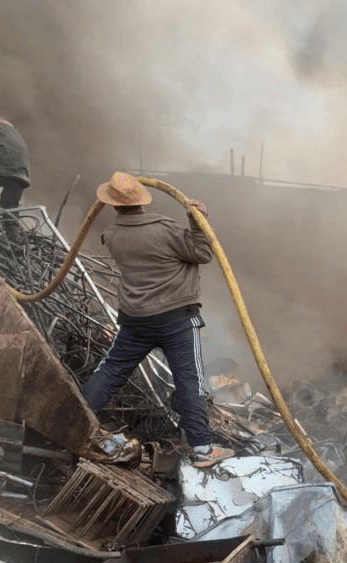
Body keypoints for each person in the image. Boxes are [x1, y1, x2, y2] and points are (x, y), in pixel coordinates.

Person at [81, 171, 234, 469]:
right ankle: (202, 450)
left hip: (136, 320)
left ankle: (75, 425)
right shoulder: (163, 228)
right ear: (141, 200)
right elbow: (202, 253)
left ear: (113, 205)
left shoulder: (111, 236)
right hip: (177, 320)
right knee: (190, 382)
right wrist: (197, 222)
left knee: (110, 370)